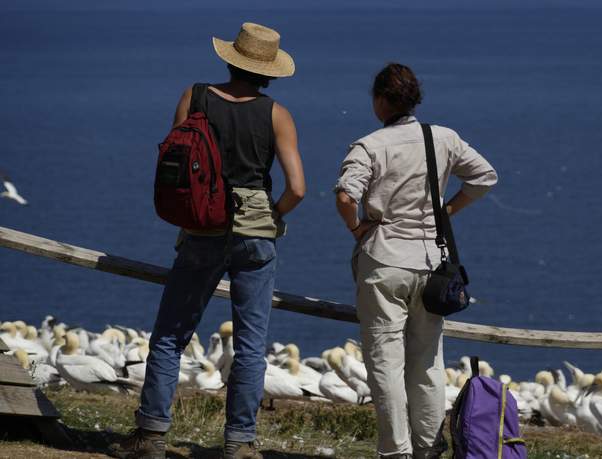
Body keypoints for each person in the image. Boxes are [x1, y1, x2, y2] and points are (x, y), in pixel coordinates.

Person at [111, 23, 305, 459]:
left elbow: (175, 162)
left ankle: (152, 436)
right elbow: (298, 188)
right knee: (252, 345)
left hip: (202, 226)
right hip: (255, 231)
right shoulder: (277, 114)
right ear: (269, 70)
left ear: (230, 59)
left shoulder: (194, 96)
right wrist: (271, 215)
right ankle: (239, 444)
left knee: (169, 336)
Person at [335, 63, 497, 459]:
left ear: (380, 100)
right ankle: (428, 447)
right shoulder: (442, 138)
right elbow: (484, 177)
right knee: (427, 361)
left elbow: (345, 197)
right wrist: (447, 211)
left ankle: (396, 451)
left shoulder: (369, 145)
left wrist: (357, 230)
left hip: (384, 262)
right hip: (430, 265)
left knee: (385, 363)